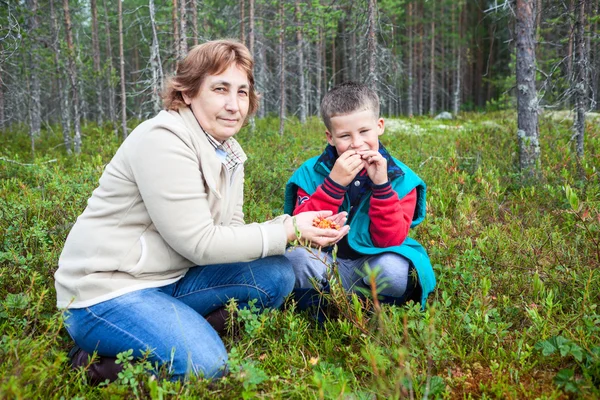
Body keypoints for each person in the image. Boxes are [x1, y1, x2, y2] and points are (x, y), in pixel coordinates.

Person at [55, 39, 349, 383]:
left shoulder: (228, 151)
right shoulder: (162, 140)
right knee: (205, 366)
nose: (233, 104)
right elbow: (198, 243)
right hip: (106, 293)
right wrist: (289, 230)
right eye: (220, 89)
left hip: (169, 280)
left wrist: (295, 226)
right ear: (189, 92)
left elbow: (231, 232)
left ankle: (174, 333)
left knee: (277, 274)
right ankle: (94, 363)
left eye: (242, 92)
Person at [283, 82, 436, 314]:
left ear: (379, 126)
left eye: (364, 132)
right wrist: (333, 184)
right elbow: (301, 232)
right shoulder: (310, 173)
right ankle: (328, 306)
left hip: (372, 265)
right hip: (326, 264)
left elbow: (390, 240)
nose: (356, 143)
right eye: (344, 135)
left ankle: (360, 307)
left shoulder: (402, 179)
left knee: (395, 268)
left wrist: (382, 186)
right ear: (330, 137)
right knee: (295, 259)